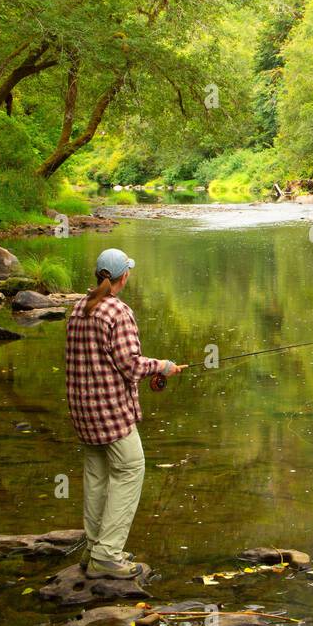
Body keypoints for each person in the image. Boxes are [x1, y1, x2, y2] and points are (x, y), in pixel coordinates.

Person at [64, 248, 184, 580]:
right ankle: (107, 554)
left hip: (82, 410)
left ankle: (94, 548)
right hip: (110, 412)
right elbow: (130, 365)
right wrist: (163, 366)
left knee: (97, 474)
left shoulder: (79, 308)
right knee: (131, 469)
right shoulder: (117, 311)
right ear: (123, 277)